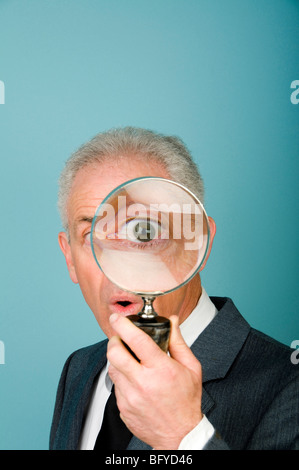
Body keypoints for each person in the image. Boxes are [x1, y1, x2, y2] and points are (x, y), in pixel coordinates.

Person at [50, 127, 299, 450]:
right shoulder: (80, 369)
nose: (117, 269)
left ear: (199, 244)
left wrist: (183, 437)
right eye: (91, 237)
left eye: (143, 231)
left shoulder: (288, 386)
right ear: (69, 257)